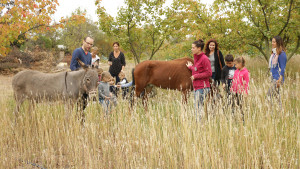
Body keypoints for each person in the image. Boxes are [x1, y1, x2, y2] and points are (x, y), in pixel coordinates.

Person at [186, 39, 212, 121]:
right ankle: (199, 124)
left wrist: (196, 76)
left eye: (193, 48)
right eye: (192, 47)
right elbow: (198, 69)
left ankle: (199, 125)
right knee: (197, 107)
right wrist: (191, 67)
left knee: (198, 107)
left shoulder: (204, 59)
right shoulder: (197, 58)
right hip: (197, 87)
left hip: (203, 87)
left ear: (199, 48)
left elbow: (209, 73)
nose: (192, 49)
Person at [268, 35, 287, 110]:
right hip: (273, 78)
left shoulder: (282, 54)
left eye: (274, 42)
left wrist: (280, 79)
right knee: (276, 96)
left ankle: (272, 112)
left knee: (269, 96)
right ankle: (279, 112)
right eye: (272, 41)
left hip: (277, 79)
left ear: (278, 43)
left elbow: (282, 67)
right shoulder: (274, 53)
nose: (272, 43)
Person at [230, 57, 249, 121]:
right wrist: (232, 89)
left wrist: (245, 92)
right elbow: (234, 81)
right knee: (233, 105)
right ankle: (234, 119)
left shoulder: (245, 72)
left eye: (236, 64)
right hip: (234, 91)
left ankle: (242, 120)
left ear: (240, 63)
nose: (235, 66)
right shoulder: (236, 71)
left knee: (240, 106)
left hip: (241, 92)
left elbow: (246, 83)